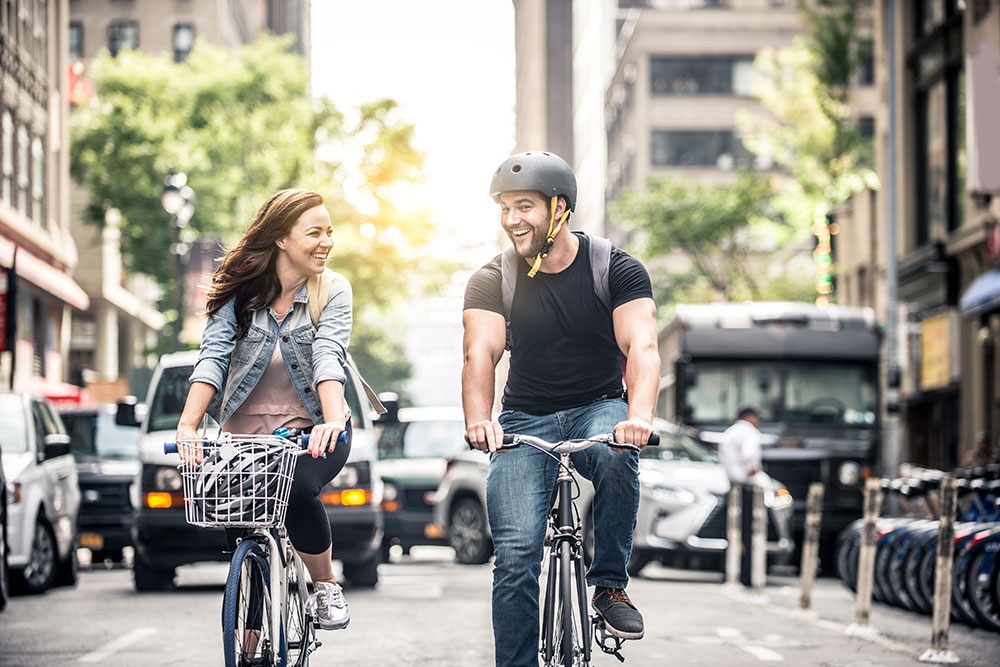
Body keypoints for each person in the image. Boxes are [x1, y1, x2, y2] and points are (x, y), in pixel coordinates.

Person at [463, 151, 660, 666]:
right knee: (515, 559)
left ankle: (610, 585)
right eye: (505, 208)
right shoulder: (493, 278)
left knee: (619, 457)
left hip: (598, 407)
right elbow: (480, 352)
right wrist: (479, 420)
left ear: (560, 208)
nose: (512, 220)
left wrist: (638, 416)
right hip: (525, 420)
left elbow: (642, 346)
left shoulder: (614, 268)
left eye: (523, 206)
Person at [175, 188, 353, 631]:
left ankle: (325, 586)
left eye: (329, 232)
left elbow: (327, 355)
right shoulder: (238, 295)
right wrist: (188, 425)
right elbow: (212, 358)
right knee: (245, 536)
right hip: (243, 443)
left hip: (312, 436)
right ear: (281, 239)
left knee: (295, 490)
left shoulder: (331, 289)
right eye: (314, 233)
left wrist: (331, 420)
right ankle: (249, 650)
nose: (326, 242)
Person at [717, 402, 763, 588]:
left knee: (730, 531)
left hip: (731, 485)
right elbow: (749, 454)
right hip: (745, 487)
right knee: (747, 532)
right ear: (751, 416)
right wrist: (752, 469)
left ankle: (727, 571)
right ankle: (745, 574)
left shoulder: (729, 432)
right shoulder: (749, 432)